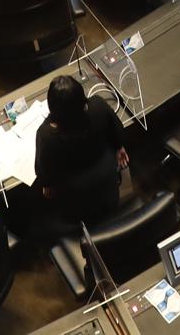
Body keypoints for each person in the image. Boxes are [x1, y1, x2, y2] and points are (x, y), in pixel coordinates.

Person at [32, 74, 127, 232]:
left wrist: (46, 186)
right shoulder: (98, 106)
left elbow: (44, 175)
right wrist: (119, 147)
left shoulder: (47, 135)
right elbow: (118, 133)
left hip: (76, 208)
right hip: (108, 191)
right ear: (83, 100)